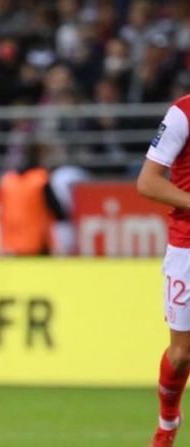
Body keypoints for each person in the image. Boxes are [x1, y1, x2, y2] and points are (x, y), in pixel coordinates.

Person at [137, 93, 190, 447]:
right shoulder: (182, 113)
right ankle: (167, 420)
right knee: (183, 352)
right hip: (187, 244)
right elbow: (148, 182)